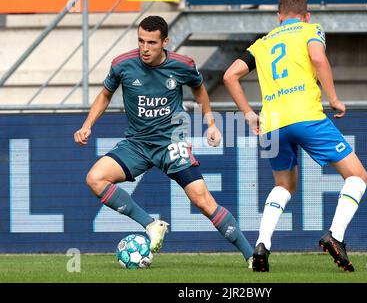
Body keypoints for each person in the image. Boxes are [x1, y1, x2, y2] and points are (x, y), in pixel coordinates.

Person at [74, 15, 253, 267]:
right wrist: (87, 125)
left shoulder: (183, 65)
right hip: (136, 144)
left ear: (165, 42)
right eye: (141, 41)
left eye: (151, 42)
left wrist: (211, 123)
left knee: (203, 200)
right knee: (95, 178)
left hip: (171, 143)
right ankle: (151, 224)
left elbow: (199, 88)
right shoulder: (122, 64)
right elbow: (105, 95)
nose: (144, 48)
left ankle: (251, 256)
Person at [223, 0, 367, 272]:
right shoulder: (310, 30)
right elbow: (318, 58)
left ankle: (262, 245)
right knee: (357, 176)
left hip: (272, 124)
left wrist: (248, 114)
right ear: (306, 15)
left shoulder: (262, 43)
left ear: (279, 17)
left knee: (284, 186)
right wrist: (334, 98)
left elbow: (229, 76)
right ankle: (335, 236)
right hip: (306, 117)